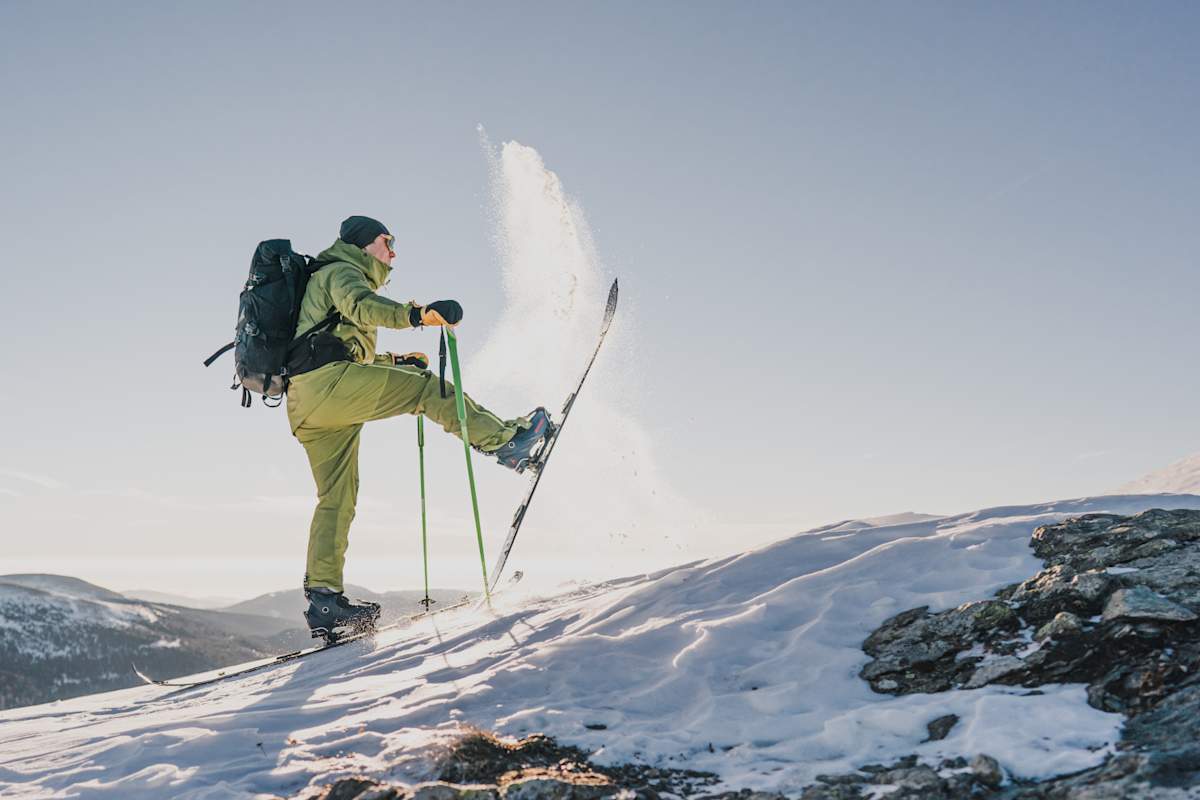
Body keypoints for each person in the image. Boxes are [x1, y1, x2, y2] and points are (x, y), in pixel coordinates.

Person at [286, 215, 553, 638]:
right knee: (426, 391)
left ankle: (325, 602)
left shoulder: (325, 275)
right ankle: (507, 442)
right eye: (387, 242)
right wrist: (418, 315)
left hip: (307, 403)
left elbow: (330, 348)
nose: (393, 252)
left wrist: (395, 362)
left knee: (337, 498)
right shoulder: (342, 271)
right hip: (328, 389)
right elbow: (362, 307)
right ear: (363, 245)